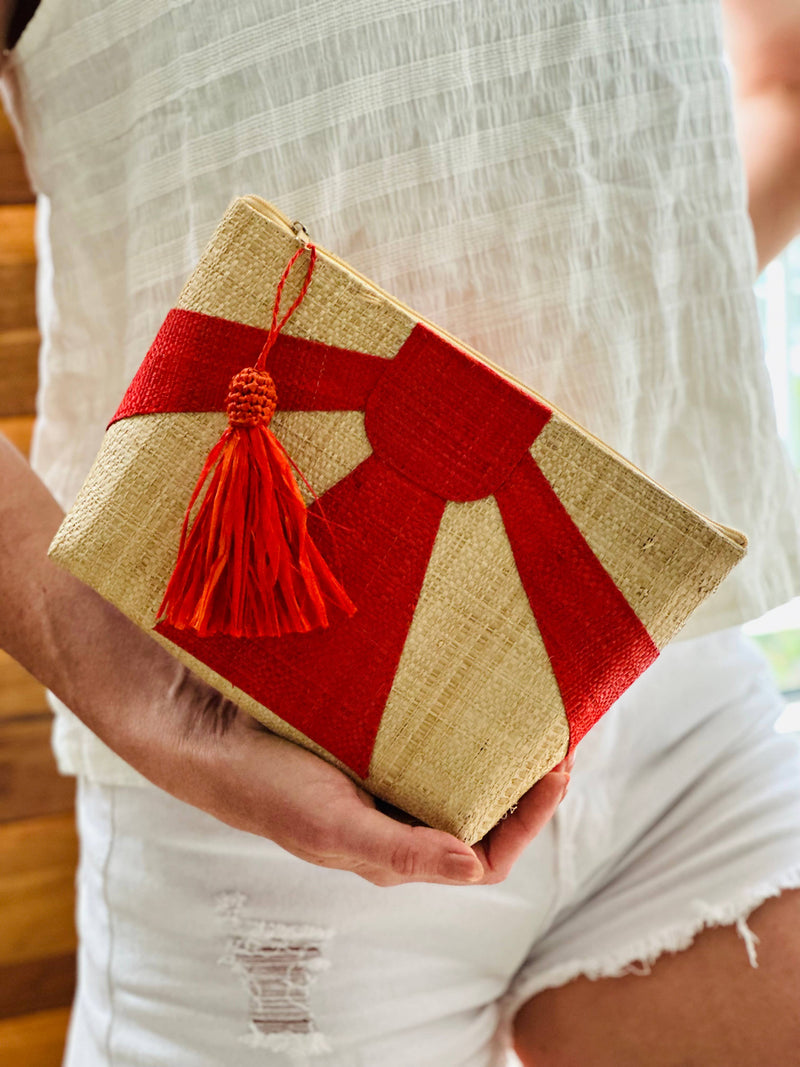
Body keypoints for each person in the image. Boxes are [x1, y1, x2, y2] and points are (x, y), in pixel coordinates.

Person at [1, 1, 800, 1063]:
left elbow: (780, 84)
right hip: (258, 733)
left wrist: (552, 369)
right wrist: (158, 706)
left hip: (668, 695)